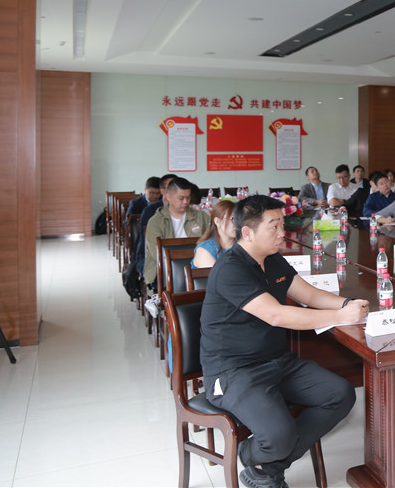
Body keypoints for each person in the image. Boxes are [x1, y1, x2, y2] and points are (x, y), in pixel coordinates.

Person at [200, 195, 368, 488]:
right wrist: (341, 317)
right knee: (279, 436)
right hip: (233, 371)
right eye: (274, 226)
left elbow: (309, 294)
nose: (282, 233)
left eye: (282, 224)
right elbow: (276, 315)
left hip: (276, 361)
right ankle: (251, 454)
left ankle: (265, 467)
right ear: (248, 232)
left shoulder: (272, 258)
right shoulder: (230, 268)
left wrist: (347, 304)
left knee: (340, 394)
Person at [143, 176, 210, 287]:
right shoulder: (156, 221)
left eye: (188, 198)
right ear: (168, 196)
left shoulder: (201, 217)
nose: (185, 202)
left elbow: (210, 242)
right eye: (181, 198)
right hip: (164, 270)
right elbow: (157, 254)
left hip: (197, 265)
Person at [134, 173, 179, 274]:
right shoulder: (150, 211)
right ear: (162, 191)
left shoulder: (188, 210)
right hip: (155, 256)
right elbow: (148, 245)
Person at [192, 199, 236, 269]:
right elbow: (219, 275)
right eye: (232, 218)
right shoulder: (205, 250)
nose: (237, 223)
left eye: (239, 219)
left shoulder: (242, 245)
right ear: (218, 222)